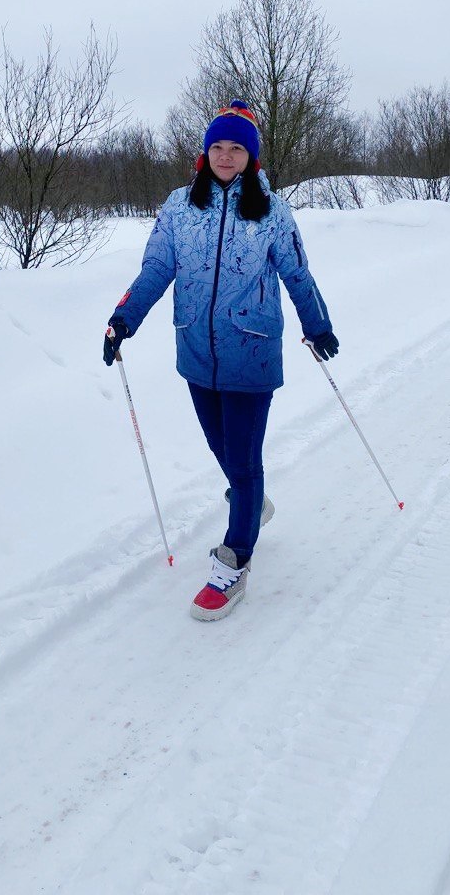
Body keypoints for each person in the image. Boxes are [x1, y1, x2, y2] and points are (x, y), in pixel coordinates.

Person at [103, 100, 338, 621]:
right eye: (217, 146)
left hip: (250, 351)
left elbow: (298, 274)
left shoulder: (273, 213)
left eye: (236, 148)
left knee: (244, 459)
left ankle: (235, 557)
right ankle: (252, 504)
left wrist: (316, 323)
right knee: (224, 452)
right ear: (204, 153)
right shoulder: (180, 207)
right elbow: (155, 269)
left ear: (251, 157)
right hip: (195, 352)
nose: (225, 155)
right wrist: (123, 319)